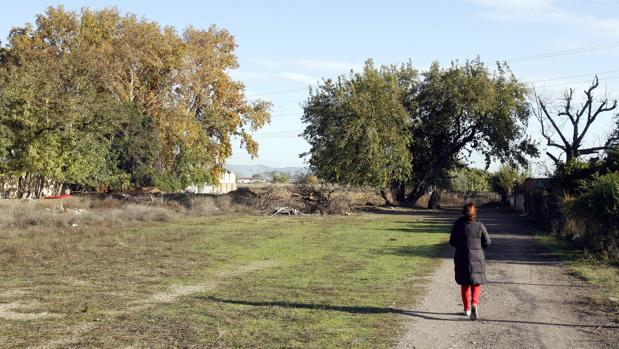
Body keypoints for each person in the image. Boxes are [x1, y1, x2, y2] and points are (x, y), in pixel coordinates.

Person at [449, 202, 491, 320]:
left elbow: (452, 242)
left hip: (462, 257)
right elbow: (487, 242)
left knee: (465, 284)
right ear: (474, 212)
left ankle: (467, 309)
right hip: (477, 257)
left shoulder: (458, 225)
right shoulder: (480, 225)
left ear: (463, 212)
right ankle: (475, 304)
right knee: (476, 283)